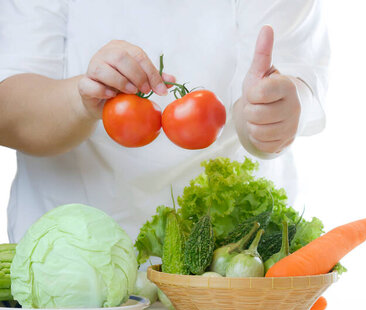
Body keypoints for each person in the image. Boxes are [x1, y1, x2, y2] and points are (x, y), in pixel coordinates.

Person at [0, 0, 329, 242]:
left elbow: (285, 84)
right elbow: (10, 113)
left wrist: (269, 116)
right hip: (72, 261)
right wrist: (82, 99)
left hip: (226, 263)